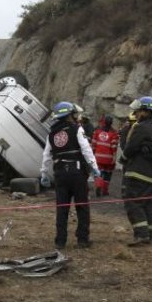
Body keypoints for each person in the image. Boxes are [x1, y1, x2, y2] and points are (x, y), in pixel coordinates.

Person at [40, 101, 100, 249]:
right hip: (77, 173)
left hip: (59, 173)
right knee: (82, 206)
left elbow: (46, 155)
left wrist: (44, 173)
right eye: (73, 114)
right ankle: (82, 240)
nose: (75, 117)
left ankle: (60, 241)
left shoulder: (52, 134)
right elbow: (86, 150)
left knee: (62, 208)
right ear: (69, 116)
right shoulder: (76, 129)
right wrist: (95, 168)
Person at [121, 96, 152, 245]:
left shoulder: (141, 127)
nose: (136, 114)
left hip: (140, 173)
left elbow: (131, 148)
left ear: (146, 111)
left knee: (132, 202)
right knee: (148, 204)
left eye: (139, 111)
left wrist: (123, 158)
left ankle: (141, 235)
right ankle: (149, 234)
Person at [90, 115, 119, 197]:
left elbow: (93, 144)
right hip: (108, 159)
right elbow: (114, 146)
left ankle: (99, 185)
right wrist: (114, 157)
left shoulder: (97, 131)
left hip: (98, 157)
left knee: (98, 173)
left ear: (104, 122)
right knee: (107, 174)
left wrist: (92, 155)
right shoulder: (114, 133)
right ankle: (105, 191)